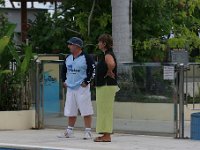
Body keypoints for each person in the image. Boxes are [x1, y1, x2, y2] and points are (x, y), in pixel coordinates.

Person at [59, 37, 95, 140]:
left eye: (70, 44)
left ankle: (88, 131)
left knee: (85, 109)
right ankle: (69, 131)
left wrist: (87, 81)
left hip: (81, 87)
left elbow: (92, 70)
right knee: (71, 110)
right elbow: (64, 70)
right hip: (70, 88)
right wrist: (64, 81)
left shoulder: (86, 57)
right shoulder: (68, 57)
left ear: (77, 46)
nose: (68, 46)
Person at [94, 34, 119, 142]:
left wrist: (109, 71)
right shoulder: (106, 54)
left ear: (104, 43)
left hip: (106, 86)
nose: (98, 44)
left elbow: (111, 63)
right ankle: (105, 133)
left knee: (105, 110)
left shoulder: (107, 55)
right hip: (105, 86)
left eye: (100, 42)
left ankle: (106, 135)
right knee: (104, 110)